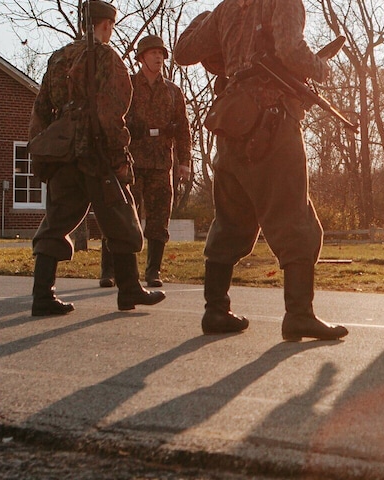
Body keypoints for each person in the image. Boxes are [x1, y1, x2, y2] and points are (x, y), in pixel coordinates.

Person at [174, 0, 349, 341]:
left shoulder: (225, 9)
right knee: (295, 218)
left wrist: (210, 21)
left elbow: (183, 51)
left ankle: (215, 310)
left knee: (230, 220)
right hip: (272, 122)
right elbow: (290, 50)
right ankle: (299, 315)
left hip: (231, 122)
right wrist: (321, 68)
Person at [27, 0, 166, 316]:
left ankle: (42, 294)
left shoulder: (58, 58)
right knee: (120, 217)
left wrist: (45, 152)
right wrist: (119, 157)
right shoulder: (106, 57)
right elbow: (110, 112)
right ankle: (129, 289)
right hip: (95, 154)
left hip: (64, 154)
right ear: (106, 25)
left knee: (57, 220)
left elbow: (40, 110)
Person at [99, 35, 196, 289]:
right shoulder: (127, 86)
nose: (158, 57)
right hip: (130, 162)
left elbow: (184, 131)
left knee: (158, 220)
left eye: (161, 54)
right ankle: (109, 271)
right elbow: (113, 120)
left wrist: (184, 161)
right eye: (152, 53)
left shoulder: (173, 93)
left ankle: (153, 271)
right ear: (141, 58)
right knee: (121, 217)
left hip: (161, 164)